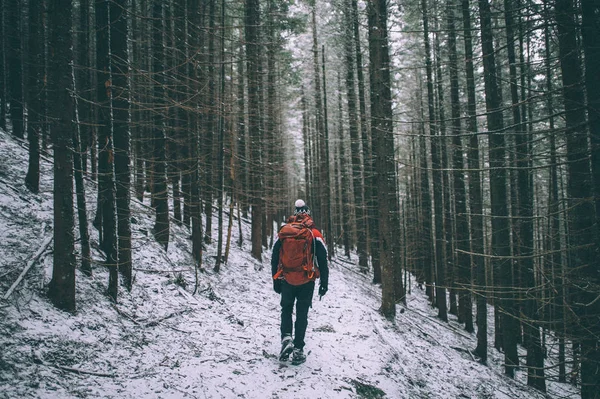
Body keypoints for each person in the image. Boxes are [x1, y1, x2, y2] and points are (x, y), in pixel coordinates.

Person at [271, 199, 329, 365]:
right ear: (308, 214)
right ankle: (298, 350)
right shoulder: (314, 233)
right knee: (302, 313)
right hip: (307, 279)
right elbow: (323, 260)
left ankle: (286, 338)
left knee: (286, 309)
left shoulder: (284, 231)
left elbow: (274, 256)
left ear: (294, 214)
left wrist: (275, 278)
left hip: (287, 278)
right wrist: (324, 283)